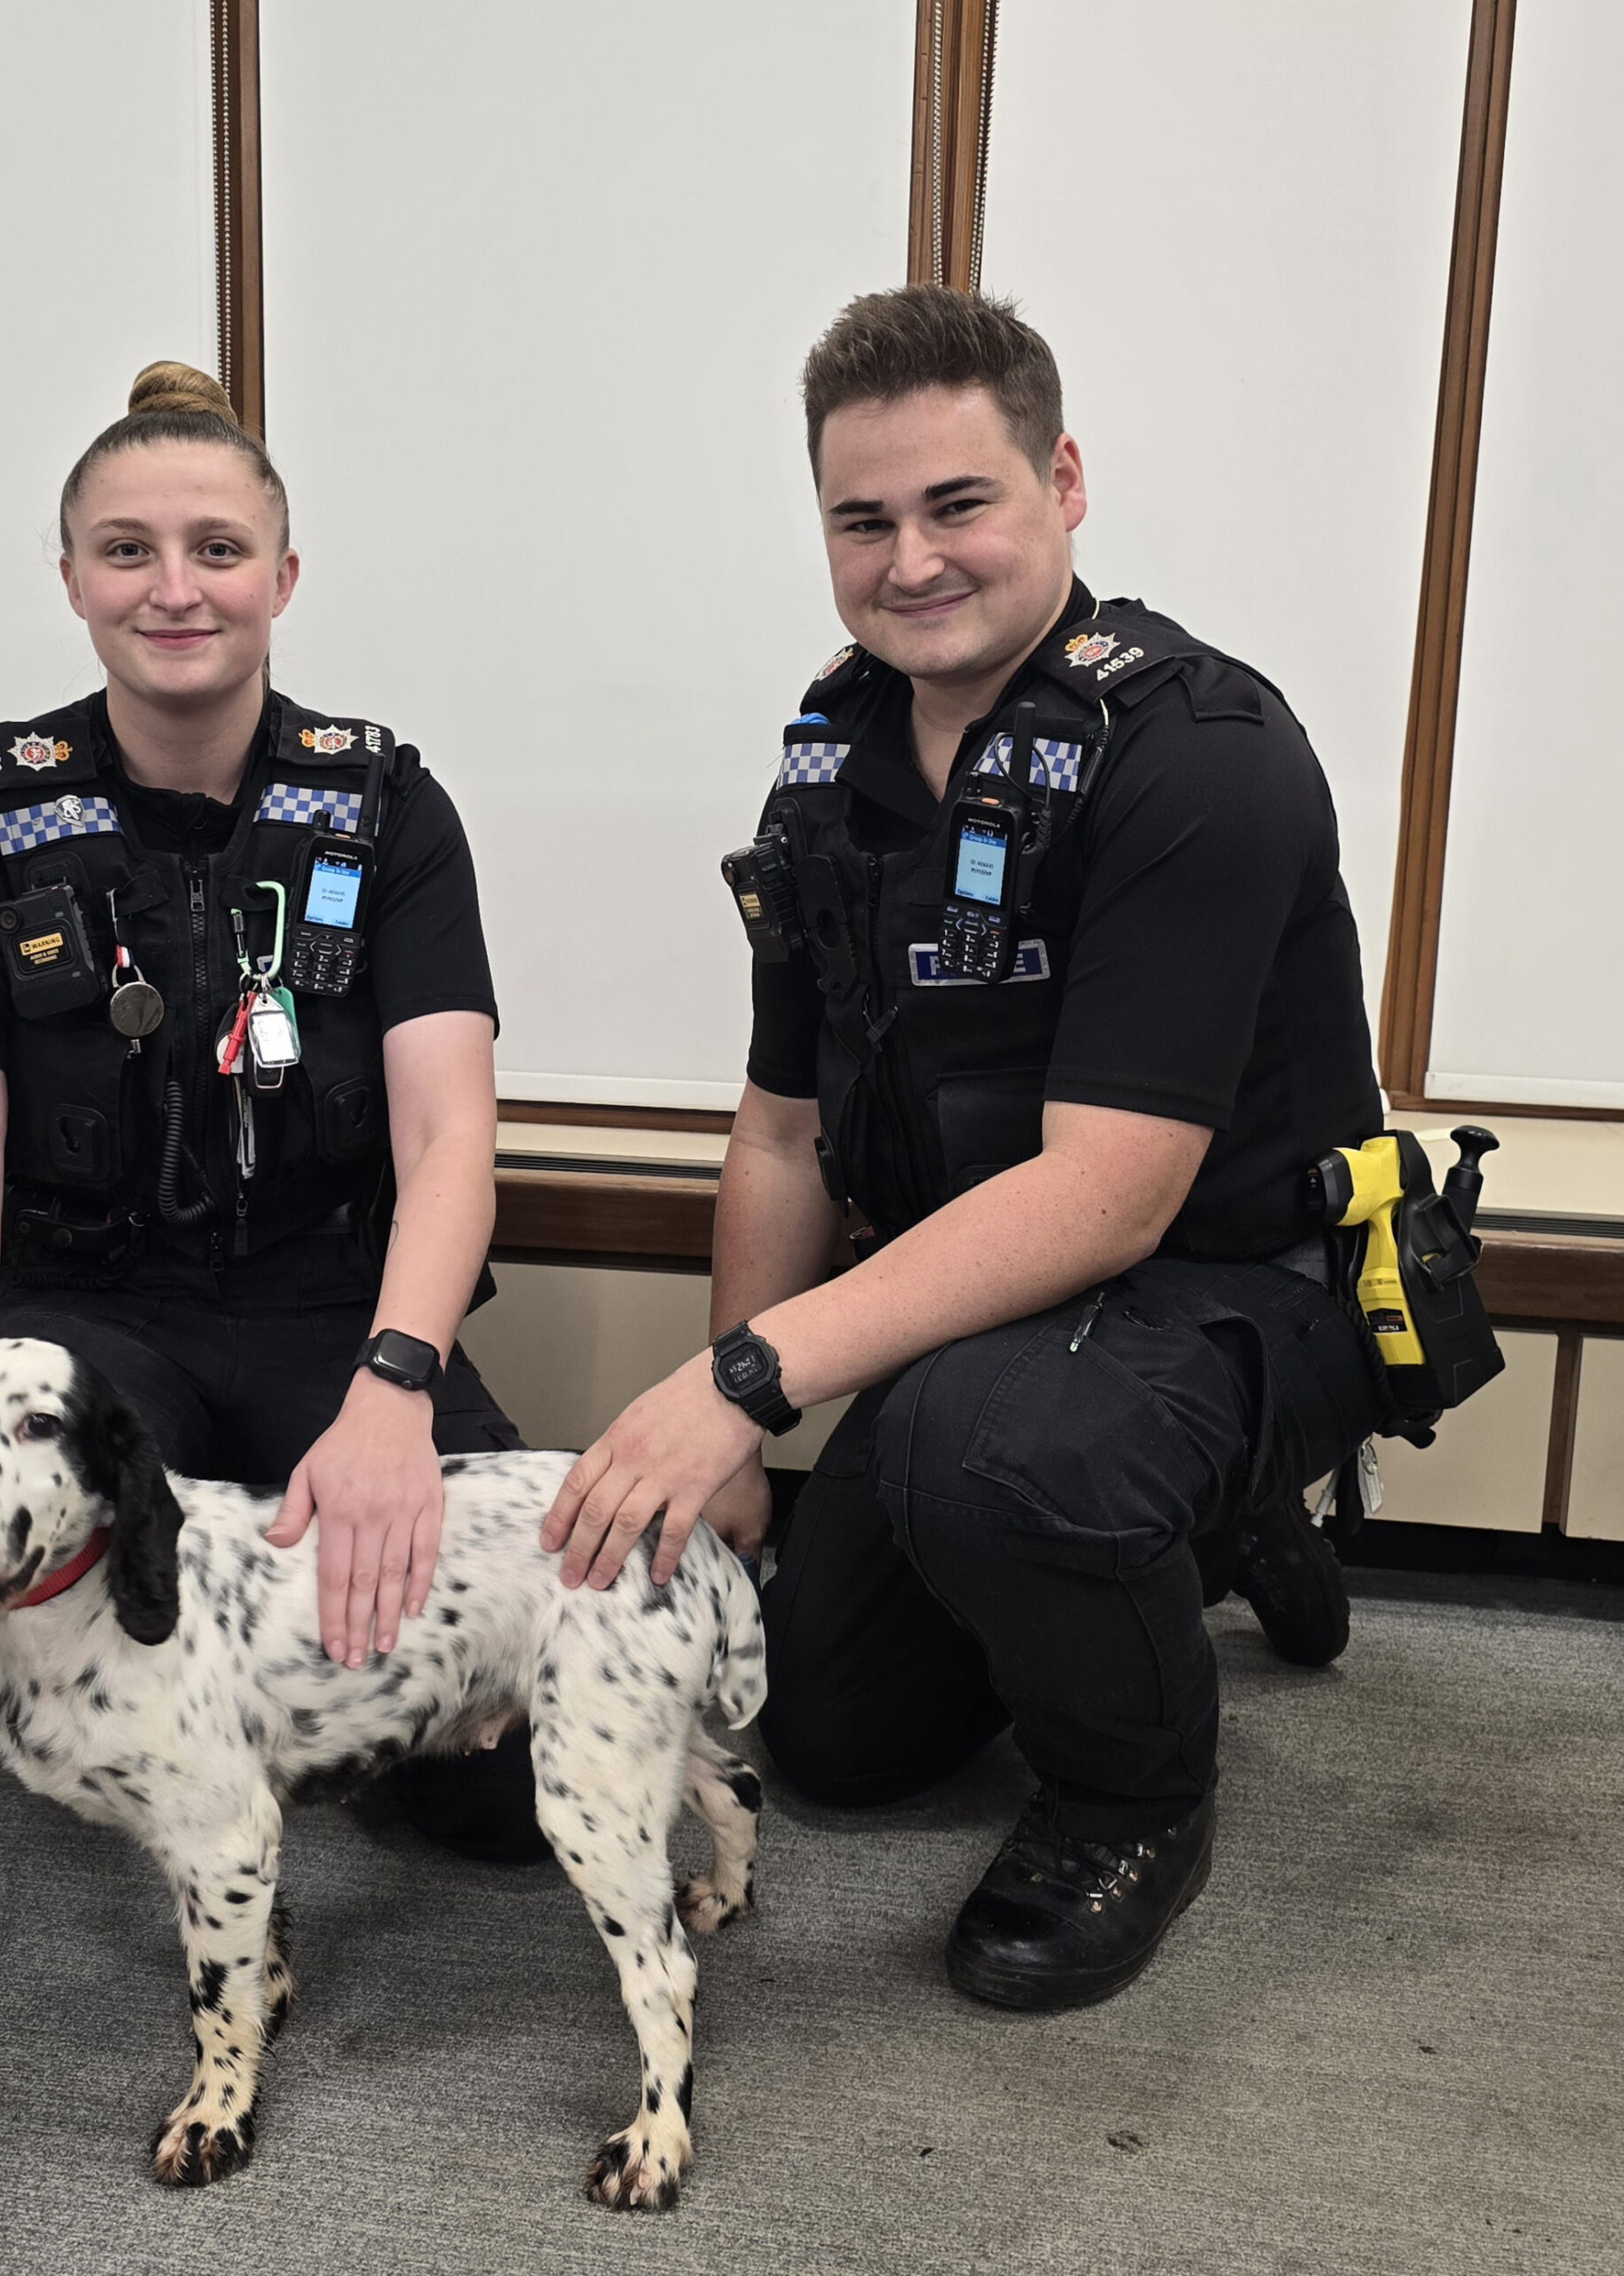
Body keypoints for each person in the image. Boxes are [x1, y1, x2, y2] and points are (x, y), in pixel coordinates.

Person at [541, 287, 1390, 2004]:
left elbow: (1111, 1189)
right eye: (865, 519)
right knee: (838, 1733)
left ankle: (1135, 1794)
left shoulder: (1203, 757)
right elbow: (784, 1127)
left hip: (1238, 1280)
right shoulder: (835, 744)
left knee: (984, 1451)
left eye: (959, 505)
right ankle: (1195, 1536)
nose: (910, 560)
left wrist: (743, 1387)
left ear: (1063, 481)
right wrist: (734, 1444)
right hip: (1001, 1317)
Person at [0, 362, 541, 1858]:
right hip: (93, 1317)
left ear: (281, 577)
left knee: (496, 1774)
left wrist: (395, 1387)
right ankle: (217, 1709)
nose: (177, 591)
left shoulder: (387, 811)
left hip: (332, 1315)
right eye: (128, 551)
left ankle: (232, 1701)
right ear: (74, 577)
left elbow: (448, 1142)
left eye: (218, 551)